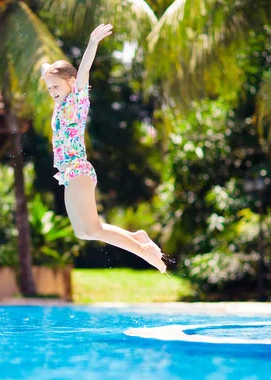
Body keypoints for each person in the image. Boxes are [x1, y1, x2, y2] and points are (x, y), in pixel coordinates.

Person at [41, 23, 167, 272]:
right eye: (49, 88)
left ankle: (144, 251)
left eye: (56, 87)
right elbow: (47, 70)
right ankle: (138, 237)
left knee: (93, 228)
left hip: (77, 170)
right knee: (84, 231)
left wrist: (92, 42)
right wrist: (48, 70)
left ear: (71, 82)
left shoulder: (77, 100)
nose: (52, 91)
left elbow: (84, 68)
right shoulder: (60, 101)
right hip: (69, 174)